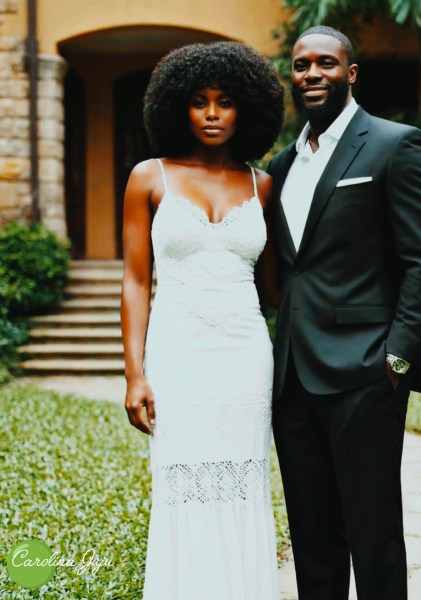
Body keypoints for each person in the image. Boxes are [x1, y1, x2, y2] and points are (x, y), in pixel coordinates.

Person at [267, 26, 421, 600]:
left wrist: (398, 359)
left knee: (374, 534)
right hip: (293, 378)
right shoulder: (281, 165)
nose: (311, 74)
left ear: (350, 73)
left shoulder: (396, 144)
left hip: (366, 373)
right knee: (312, 537)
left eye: (325, 63)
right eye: (301, 65)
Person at [120, 41, 283, 600]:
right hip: (178, 352)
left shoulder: (262, 185)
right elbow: (135, 281)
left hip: (245, 356)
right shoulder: (149, 177)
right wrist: (134, 374)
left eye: (225, 101)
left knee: (244, 481)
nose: (212, 114)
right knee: (181, 481)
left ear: (247, 109)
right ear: (177, 107)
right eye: (199, 101)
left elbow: (274, 289)